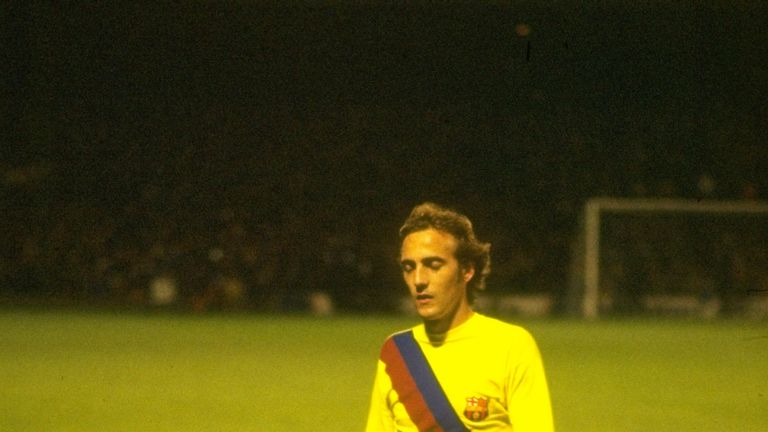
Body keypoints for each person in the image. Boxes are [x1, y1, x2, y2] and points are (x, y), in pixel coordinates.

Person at [365, 202, 554, 432]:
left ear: (467, 270)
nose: (418, 280)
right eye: (409, 267)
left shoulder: (511, 346)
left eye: (433, 265)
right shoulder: (395, 352)